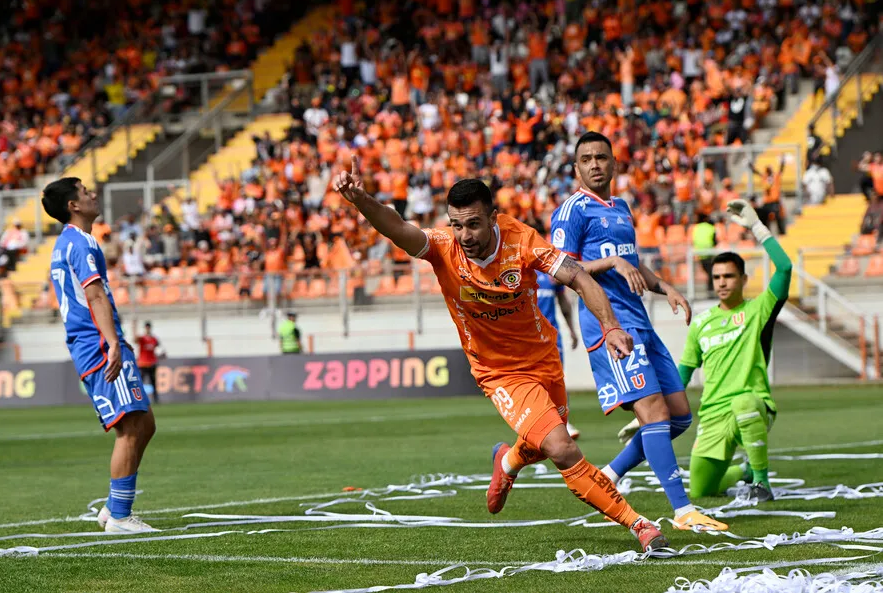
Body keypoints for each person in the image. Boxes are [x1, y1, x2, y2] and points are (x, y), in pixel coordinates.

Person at [333, 156, 669, 553]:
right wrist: (362, 201)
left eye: (473, 224)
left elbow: (577, 277)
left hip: (543, 357)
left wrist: (611, 325)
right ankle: (641, 525)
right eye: (456, 224)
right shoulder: (443, 247)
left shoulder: (522, 240)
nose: (464, 235)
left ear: (493, 217)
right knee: (560, 447)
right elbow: (398, 228)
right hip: (499, 371)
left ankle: (507, 462)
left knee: (542, 443)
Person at [550, 132, 727, 531]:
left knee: (680, 416)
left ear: (614, 163)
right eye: (586, 159)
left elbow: (632, 264)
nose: (594, 164)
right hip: (609, 326)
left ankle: (609, 475)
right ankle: (683, 511)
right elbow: (561, 270)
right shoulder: (571, 211)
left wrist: (665, 287)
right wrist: (610, 262)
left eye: (601, 157)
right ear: (576, 168)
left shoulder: (622, 207)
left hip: (641, 322)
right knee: (655, 413)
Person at [42, 177, 156, 533]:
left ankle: (111, 508)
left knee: (144, 423)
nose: (93, 195)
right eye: (85, 191)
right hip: (96, 342)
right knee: (131, 427)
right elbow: (94, 296)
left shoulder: (66, 243)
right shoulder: (80, 243)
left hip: (93, 340)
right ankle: (120, 517)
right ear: (73, 205)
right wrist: (113, 343)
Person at [680, 200, 792, 502]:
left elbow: (785, 268)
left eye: (728, 276)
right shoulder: (701, 322)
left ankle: (761, 482)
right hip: (714, 413)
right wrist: (649, 411)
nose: (722, 283)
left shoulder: (759, 310)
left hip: (754, 405)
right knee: (702, 489)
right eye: (716, 277)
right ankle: (743, 470)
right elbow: (683, 375)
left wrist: (757, 226)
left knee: (744, 404)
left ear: (743, 279)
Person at [533, 223, 582, 440]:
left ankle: (565, 422)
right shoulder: (516, 271)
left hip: (551, 336)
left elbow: (563, 302)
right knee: (533, 382)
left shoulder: (549, 271)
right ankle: (538, 425)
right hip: (526, 339)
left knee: (556, 379)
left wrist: (572, 330)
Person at [134, 321, 164, 404]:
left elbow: (158, 348)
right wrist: (134, 326)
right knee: (141, 382)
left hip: (152, 363)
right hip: (143, 363)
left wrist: (161, 355)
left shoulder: (154, 339)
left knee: (153, 382)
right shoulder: (142, 338)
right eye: (146, 327)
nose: (148, 329)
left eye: (149, 327)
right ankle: (140, 399)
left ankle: (156, 400)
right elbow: (135, 340)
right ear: (145, 328)